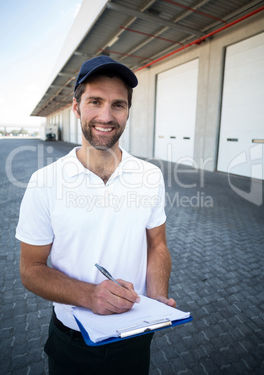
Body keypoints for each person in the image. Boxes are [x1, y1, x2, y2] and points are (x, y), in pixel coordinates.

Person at [16, 56, 176, 375]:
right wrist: (90, 295)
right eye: (95, 101)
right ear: (76, 107)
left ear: (128, 111)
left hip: (134, 335)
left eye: (118, 105)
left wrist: (157, 297)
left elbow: (157, 245)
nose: (106, 116)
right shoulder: (45, 182)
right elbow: (30, 269)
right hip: (72, 342)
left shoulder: (149, 176)